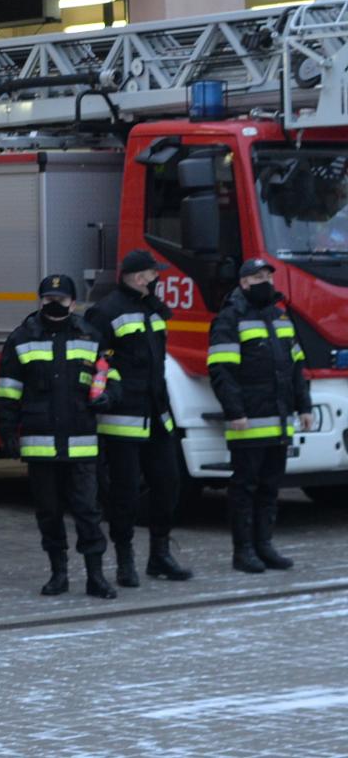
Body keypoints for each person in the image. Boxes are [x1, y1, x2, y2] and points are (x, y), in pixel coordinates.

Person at [0, 274, 118, 599]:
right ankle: (58, 574)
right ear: (40, 300)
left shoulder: (91, 335)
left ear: (73, 304)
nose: (54, 304)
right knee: (48, 513)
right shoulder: (22, 338)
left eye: (60, 299)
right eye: (48, 298)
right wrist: (7, 432)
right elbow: (7, 391)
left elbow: (110, 375)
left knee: (88, 512)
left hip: (81, 443)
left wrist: (110, 396)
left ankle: (96, 577)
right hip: (40, 444)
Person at [84, 250, 193, 586]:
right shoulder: (106, 311)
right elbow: (96, 363)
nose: (156, 278)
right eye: (151, 274)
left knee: (167, 484)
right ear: (136, 277)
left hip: (157, 414)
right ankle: (124, 559)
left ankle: (159, 555)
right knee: (125, 493)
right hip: (123, 417)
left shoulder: (152, 309)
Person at [207, 258, 312, 573]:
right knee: (245, 488)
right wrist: (234, 412)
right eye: (256, 276)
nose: (264, 280)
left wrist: (304, 406)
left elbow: (296, 367)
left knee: (270, 487)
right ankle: (243, 551)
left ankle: (264, 546)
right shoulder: (229, 318)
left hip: (278, 420)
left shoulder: (280, 317)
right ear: (243, 283)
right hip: (248, 422)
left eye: (267, 275)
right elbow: (222, 371)